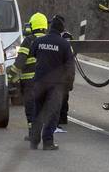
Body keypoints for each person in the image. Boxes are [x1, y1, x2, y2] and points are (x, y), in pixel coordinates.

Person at [28, 15, 74, 150]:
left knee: (37, 112)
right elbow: (70, 68)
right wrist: (69, 85)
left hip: (39, 83)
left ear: (50, 27)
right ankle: (48, 142)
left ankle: (34, 141)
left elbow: (32, 54)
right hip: (56, 86)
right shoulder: (65, 45)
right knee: (52, 114)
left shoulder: (38, 41)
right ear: (62, 30)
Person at [8, 12, 48, 141]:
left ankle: (33, 133)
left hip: (30, 81)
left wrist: (9, 76)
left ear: (32, 25)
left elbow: (20, 62)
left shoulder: (29, 40)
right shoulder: (49, 40)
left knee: (31, 107)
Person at [55, 16, 74, 133]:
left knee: (63, 96)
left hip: (63, 72)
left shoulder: (66, 37)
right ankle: (62, 117)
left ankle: (62, 117)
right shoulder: (64, 38)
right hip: (63, 73)